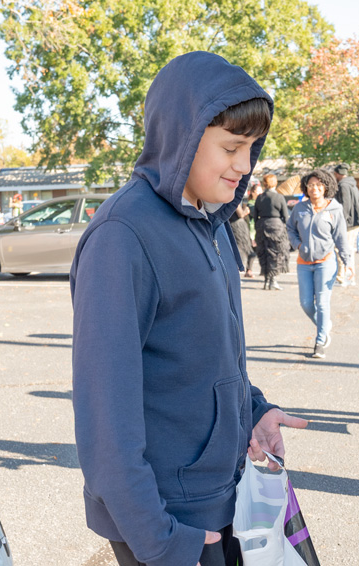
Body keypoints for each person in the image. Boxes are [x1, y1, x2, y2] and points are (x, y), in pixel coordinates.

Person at [69, 51, 307, 566]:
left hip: (225, 497)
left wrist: (253, 411)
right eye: (231, 147)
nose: (244, 165)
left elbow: (205, 357)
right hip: (168, 520)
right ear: (182, 135)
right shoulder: (122, 235)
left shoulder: (212, 223)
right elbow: (105, 412)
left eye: (252, 148)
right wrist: (159, 539)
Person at [287, 168, 353, 359]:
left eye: (318, 185)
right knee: (306, 303)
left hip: (326, 262)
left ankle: (320, 341)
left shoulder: (335, 209)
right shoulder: (300, 208)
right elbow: (290, 228)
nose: (314, 188)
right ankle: (324, 326)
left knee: (322, 303)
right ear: (306, 188)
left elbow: (341, 238)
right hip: (304, 263)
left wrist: (348, 262)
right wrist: (298, 245)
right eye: (310, 185)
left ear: (326, 187)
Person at [253, 173, 291, 290]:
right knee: (275, 253)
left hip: (262, 226)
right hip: (276, 226)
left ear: (264, 183)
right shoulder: (279, 197)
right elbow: (285, 216)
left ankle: (266, 280)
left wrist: (258, 227)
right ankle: (273, 280)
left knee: (264, 252)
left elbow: (255, 216)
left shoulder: (259, 197)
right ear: (275, 183)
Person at [331, 164, 359, 285]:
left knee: (343, 250)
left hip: (348, 224)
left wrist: (339, 223)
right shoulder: (352, 184)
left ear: (338, 173)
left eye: (335, 174)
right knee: (348, 250)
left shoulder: (343, 185)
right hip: (355, 222)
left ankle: (344, 278)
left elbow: (345, 206)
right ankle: (348, 277)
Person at [229, 198, 255, 277]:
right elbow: (241, 214)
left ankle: (243, 270)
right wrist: (246, 210)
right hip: (238, 226)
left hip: (231, 225)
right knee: (243, 248)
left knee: (239, 248)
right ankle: (241, 271)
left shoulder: (226, 198)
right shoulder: (234, 198)